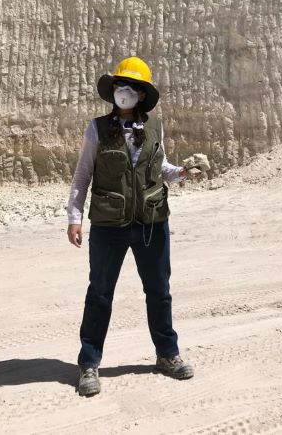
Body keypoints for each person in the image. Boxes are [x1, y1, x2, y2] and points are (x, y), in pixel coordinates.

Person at [67, 56, 196, 397]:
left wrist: (180, 173)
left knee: (159, 292)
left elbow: (161, 167)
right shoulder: (96, 128)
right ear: (113, 92)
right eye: (120, 87)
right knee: (100, 294)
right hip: (110, 224)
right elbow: (83, 174)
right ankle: (89, 364)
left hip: (152, 222)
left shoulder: (154, 127)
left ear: (141, 95)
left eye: (132, 88)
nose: (125, 92)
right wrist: (74, 217)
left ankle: (167, 355)